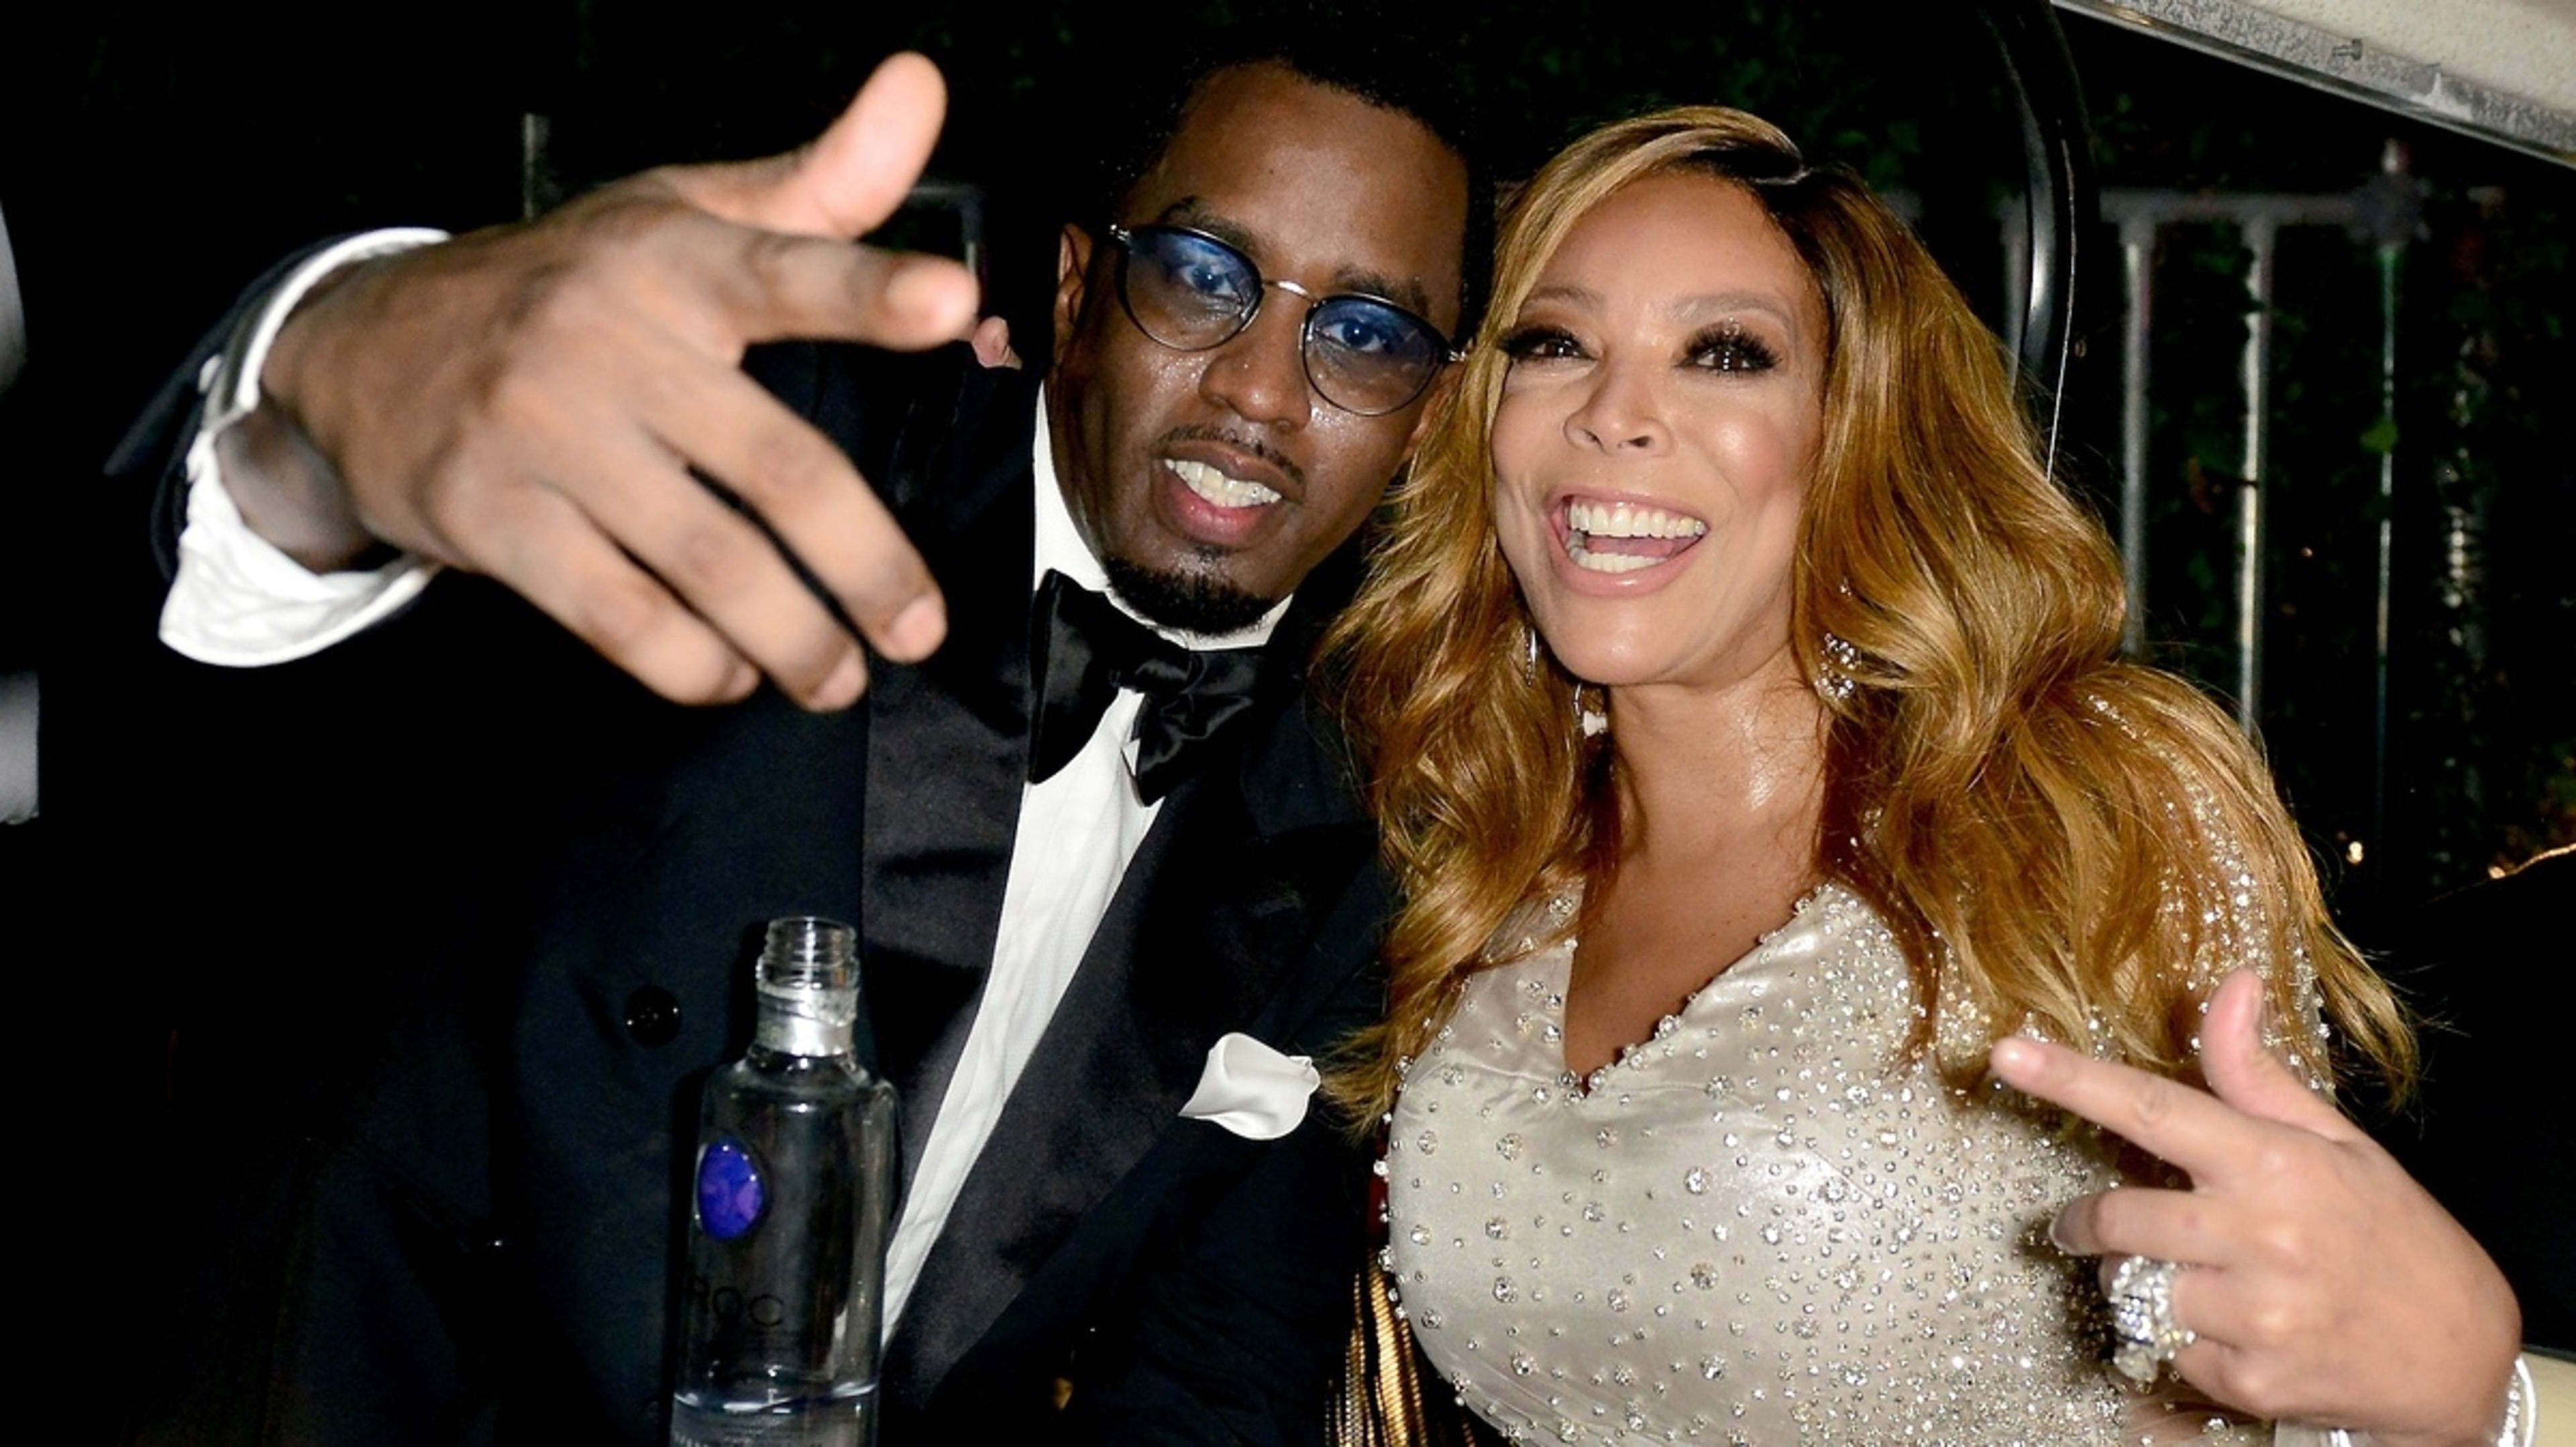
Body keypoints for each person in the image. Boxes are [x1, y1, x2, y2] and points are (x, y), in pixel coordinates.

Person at [114, 31, 1477, 1447]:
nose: (1262, 390)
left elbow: (1213, 1363)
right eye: (1203, 276)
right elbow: (214, 701)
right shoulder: (775, 453)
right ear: (1078, 293)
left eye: (1364, 334)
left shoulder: (1366, 811)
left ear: (1430, 415)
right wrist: (324, 399)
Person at [1326, 107, 2530, 1446]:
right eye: (1555, 343)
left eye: (1725, 354)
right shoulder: (1473, 853)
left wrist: (2476, 1396)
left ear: (1855, 429)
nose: (1617, 416)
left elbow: (2287, 1371)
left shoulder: (2083, 806)